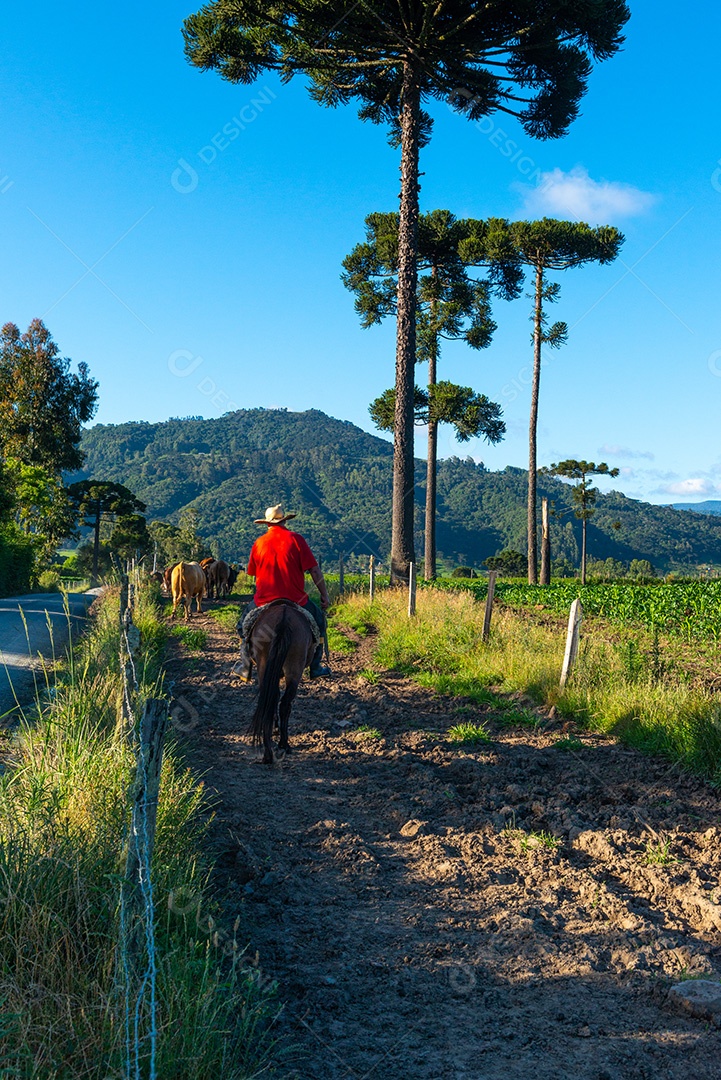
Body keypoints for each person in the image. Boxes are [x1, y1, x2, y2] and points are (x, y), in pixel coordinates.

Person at [235, 503, 331, 681]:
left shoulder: (258, 543)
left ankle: (245, 666)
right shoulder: (297, 539)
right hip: (296, 600)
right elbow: (315, 571)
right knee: (319, 623)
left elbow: (254, 574)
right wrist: (324, 595)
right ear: (284, 521)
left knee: (242, 626)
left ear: (267, 524)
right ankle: (316, 666)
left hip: (264, 600)